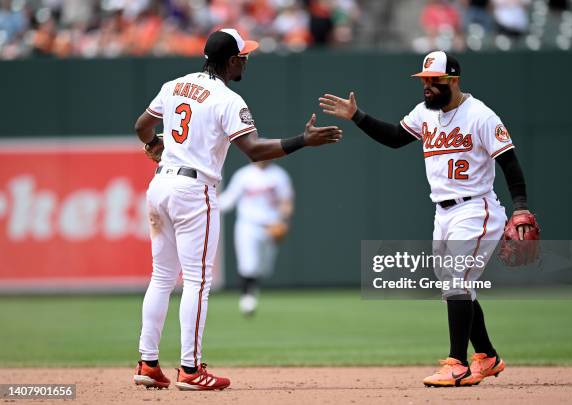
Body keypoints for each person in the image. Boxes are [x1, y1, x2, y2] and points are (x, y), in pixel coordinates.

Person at [132, 28, 342, 391]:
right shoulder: (227, 99)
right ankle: (190, 370)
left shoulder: (175, 85)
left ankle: (147, 363)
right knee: (197, 282)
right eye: (244, 55)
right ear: (231, 61)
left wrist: (154, 144)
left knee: (162, 278)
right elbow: (256, 150)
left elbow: (142, 126)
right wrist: (303, 141)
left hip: (160, 184)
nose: (247, 60)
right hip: (193, 190)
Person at [319, 51, 535, 387]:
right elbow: (394, 138)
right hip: (443, 212)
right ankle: (488, 356)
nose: (428, 87)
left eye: (435, 81)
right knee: (456, 287)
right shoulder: (424, 114)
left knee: (456, 283)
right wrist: (357, 116)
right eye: (424, 81)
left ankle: (457, 364)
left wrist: (520, 206)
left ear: (454, 80)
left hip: (476, 208)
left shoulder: (480, 115)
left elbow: (510, 162)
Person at [219, 161, 294, 317]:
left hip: (272, 226)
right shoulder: (243, 175)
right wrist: (210, 205)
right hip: (248, 225)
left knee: (264, 268)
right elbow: (228, 200)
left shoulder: (278, 175)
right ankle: (247, 298)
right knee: (248, 264)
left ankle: (252, 290)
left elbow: (286, 202)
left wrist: (284, 221)